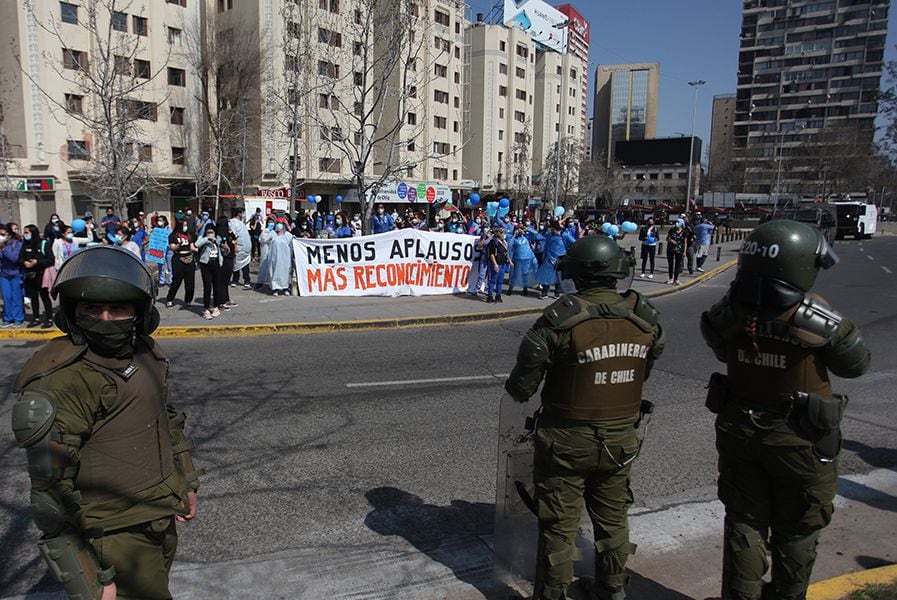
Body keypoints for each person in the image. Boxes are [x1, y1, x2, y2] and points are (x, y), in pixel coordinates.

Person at [11, 245, 202, 600]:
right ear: (71, 311)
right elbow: (50, 494)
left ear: (139, 312)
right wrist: (87, 578)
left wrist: (185, 482)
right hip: (111, 533)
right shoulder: (64, 378)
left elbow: (168, 422)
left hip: (157, 515)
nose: (104, 317)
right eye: (91, 308)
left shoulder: (146, 355)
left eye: (118, 308)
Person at [700, 220, 870, 600]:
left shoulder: (729, 311)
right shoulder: (815, 319)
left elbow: (717, 342)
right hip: (799, 436)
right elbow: (855, 364)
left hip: (740, 427)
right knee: (798, 527)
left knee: (745, 520)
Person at [505, 236, 665, 600]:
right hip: (620, 439)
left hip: (566, 441)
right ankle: (613, 589)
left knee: (560, 525)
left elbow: (521, 387)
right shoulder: (645, 318)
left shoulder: (560, 320)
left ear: (575, 273)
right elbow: (645, 368)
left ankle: (553, 593)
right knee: (613, 521)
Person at [19, 224, 54, 328]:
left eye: (26, 232)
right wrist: (24, 262)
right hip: (30, 274)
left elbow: (50, 259)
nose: (25, 235)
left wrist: (37, 262)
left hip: (41, 274)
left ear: (33, 233)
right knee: (33, 297)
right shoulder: (25, 244)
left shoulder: (43, 243)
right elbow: (20, 257)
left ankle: (49, 318)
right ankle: (36, 318)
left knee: (44, 296)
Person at [164, 218, 197, 309]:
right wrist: (178, 244)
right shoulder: (173, 235)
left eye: (186, 225)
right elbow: (172, 247)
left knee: (190, 282)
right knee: (176, 281)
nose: (185, 227)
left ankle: (188, 300)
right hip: (178, 258)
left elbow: (192, 247)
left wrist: (197, 249)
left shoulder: (189, 235)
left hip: (189, 258)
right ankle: (170, 299)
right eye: (184, 225)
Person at [195, 224, 224, 319]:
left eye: (212, 232)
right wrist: (207, 238)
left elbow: (223, 247)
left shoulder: (217, 239)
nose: (210, 234)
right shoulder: (203, 238)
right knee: (207, 287)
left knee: (217, 286)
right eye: (208, 232)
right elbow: (197, 244)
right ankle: (206, 309)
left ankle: (216, 307)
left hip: (216, 264)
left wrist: (217, 241)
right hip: (206, 264)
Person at [1, 222, 26, 328]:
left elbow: (14, 258)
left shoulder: (17, 244)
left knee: (16, 297)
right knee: (6, 296)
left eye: (3, 235)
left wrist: (3, 249)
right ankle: (8, 317)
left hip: (16, 274)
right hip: (3, 274)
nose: (1, 237)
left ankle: (18, 318)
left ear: (9, 234)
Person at [262, 219, 294, 296]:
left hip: (285, 258)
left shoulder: (287, 235)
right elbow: (263, 240)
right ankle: (275, 289)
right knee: (275, 272)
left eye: (281, 223)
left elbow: (294, 241)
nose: (279, 225)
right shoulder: (272, 233)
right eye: (278, 223)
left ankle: (285, 288)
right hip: (274, 258)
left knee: (285, 272)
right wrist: (265, 231)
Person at [536, 221, 567, 300]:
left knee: (558, 276)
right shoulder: (549, 236)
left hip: (560, 259)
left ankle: (557, 293)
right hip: (549, 259)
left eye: (552, 229)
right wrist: (544, 256)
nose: (551, 230)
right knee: (546, 276)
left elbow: (573, 242)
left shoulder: (564, 235)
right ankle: (544, 293)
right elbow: (539, 238)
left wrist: (566, 253)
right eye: (551, 229)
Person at [508, 226, 537, 296]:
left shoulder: (527, 237)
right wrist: (514, 235)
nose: (520, 231)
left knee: (525, 274)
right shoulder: (514, 239)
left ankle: (525, 289)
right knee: (515, 274)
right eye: (518, 229)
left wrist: (527, 229)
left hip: (527, 258)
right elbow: (509, 245)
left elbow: (535, 233)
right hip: (518, 259)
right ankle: (510, 288)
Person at [485, 227, 512, 303]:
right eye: (503, 233)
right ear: (499, 234)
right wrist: (495, 264)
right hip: (496, 264)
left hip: (503, 264)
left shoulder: (504, 242)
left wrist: (510, 261)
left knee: (500, 281)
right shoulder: (493, 242)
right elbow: (491, 254)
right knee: (492, 280)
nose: (504, 235)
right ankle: (490, 296)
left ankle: (498, 295)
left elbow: (506, 253)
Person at [230, 208, 252, 288]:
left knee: (246, 265)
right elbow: (233, 235)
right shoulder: (233, 222)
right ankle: (235, 279)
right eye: (242, 213)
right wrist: (235, 246)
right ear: (239, 213)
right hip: (239, 247)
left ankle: (247, 280)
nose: (243, 214)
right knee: (236, 264)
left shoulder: (241, 223)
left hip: (245, 249)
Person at [665, 220, 687, 285]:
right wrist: (671, 240)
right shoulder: (671, 230)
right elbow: (667, 238)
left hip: (679, 250)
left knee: (677, 265)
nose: (677, 224)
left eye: (678, 222)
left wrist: (684, 252)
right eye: (676, 222)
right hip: (670, 249)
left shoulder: (684, 232)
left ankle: (676, 279)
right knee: (670, 264)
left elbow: (685, 242)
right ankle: (670, 278)